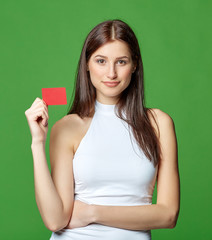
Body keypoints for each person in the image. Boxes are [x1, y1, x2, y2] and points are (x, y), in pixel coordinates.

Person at [25, 19, 180, 240]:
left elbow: (168, 215)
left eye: (121, 62)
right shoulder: (67, 127)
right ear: (87, 64)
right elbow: (55, 220)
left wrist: (91, 212)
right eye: (101, 61)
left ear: (135, 65)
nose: (111, 73)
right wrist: (37, 143)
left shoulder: (158, 123)